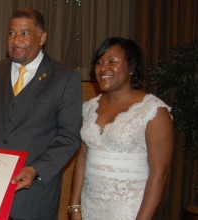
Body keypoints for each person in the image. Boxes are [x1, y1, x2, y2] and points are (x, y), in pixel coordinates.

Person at [0, 8, 83, 220]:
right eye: (11, 33)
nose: (16, 40)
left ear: (42, 37)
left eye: (25, 33)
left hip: (34, 197)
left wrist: (36, 169)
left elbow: (69, 137)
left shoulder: (65, 78)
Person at [69, 37, 174, 220]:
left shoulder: (153, 112)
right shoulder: (89, 107)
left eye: (112, 61)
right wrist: (74, 207)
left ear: (132, 68)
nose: (103, 68)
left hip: (129, 210)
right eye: (99, 63)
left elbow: (159, 174)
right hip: (90, 207)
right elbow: (83, 157)